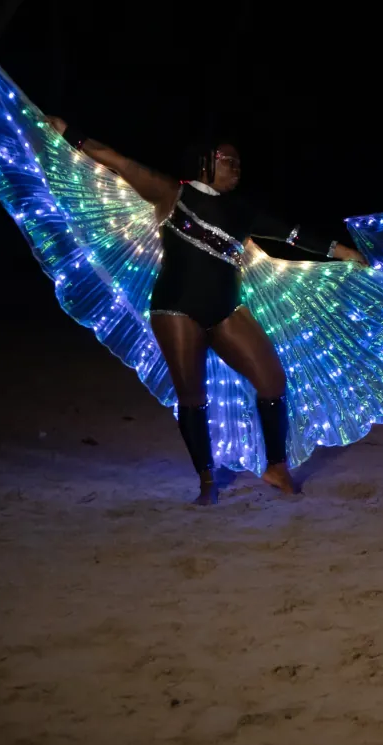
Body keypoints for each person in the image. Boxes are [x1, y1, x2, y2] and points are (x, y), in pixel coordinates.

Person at [44, 118, 365, 500]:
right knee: (192, 396)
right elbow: (117, 160)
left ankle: (276, 467)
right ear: (205, 161)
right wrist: (67, 133)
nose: (237, 168)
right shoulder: (171, 193)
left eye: (239, 163)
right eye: (229, 161)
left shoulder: (243, 210)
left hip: (226, 309)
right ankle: (207, 481)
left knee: (272, 381)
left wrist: (343, 252)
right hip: (175, 309)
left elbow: (293, 234)